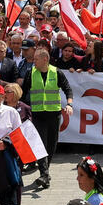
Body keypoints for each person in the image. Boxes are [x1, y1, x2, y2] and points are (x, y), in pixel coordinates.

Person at [23, 46, 73, 190]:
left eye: (36, 59)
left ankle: (45, 174)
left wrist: (69, 104)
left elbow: (68, 89)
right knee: (40, 144)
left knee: (51, 145)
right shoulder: (30, 73)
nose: (34, 62)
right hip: (38, 114)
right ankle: (44, 174)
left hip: (54, 114)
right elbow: (23, 92)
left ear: (45, 59)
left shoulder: (56, 72)